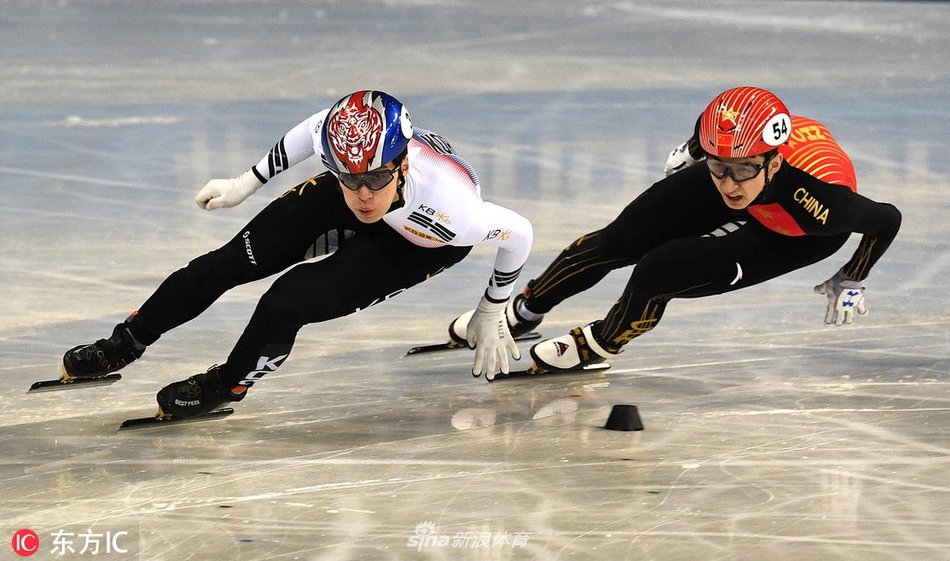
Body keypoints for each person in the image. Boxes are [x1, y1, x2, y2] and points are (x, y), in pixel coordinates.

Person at [61, 90, 533, 416]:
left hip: (417, 241)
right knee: (227, 263)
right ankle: (126, 342)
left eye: (375, 180)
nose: (364, 194)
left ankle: (229, 383)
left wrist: (492, 308)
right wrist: (244, 183)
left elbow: (520, 233)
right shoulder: (351, 158)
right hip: (373, 200)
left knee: (288, 300)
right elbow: (314, 129)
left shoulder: (453, 210)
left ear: (402, 163)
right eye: (350, 178)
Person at [450, 86, 901, 373]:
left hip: (793, 232)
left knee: (660, 270)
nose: (729, 185)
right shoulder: (726, 153)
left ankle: (601, 345)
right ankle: (527, 309)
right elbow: (715, 130)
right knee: (618, 240)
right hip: (750, 165)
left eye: (741, 171)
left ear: (775, 161)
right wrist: (696, 154)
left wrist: (853, 276)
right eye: (718, 168)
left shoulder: (823, 205)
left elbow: (888, 219)